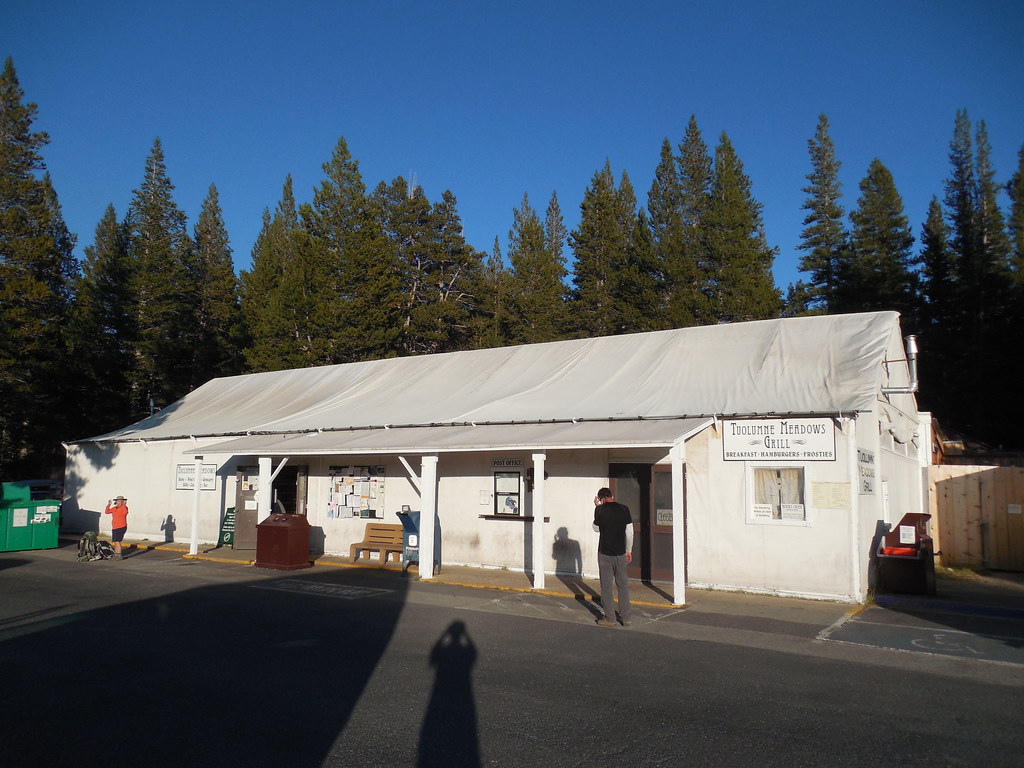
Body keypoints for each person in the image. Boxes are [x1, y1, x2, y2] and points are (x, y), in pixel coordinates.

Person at [592, 487, 633, 627]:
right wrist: (629, 550)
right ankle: (626, 617)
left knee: (606, 586)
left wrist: (597, 508)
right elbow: (630, 532)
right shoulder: (624, 509)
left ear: (600, 498)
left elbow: (596, 528)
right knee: (622, 585)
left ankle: (610, 619)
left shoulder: (600, 510)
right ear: (612, 496)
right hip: (620, 552)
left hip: (605, 553)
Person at [104, 495, 129, 560]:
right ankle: (116, 554)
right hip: (115, 527)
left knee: (117, 541)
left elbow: (125, 513)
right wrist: (109, 505)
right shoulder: (115, 508)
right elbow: (107, 512)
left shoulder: (124, 507)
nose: (118, 502)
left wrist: (124, 504)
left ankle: (119, 555)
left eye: (120, 501)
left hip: (121, 526)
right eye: (118, 501)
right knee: (115, 541)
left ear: (123, 502)